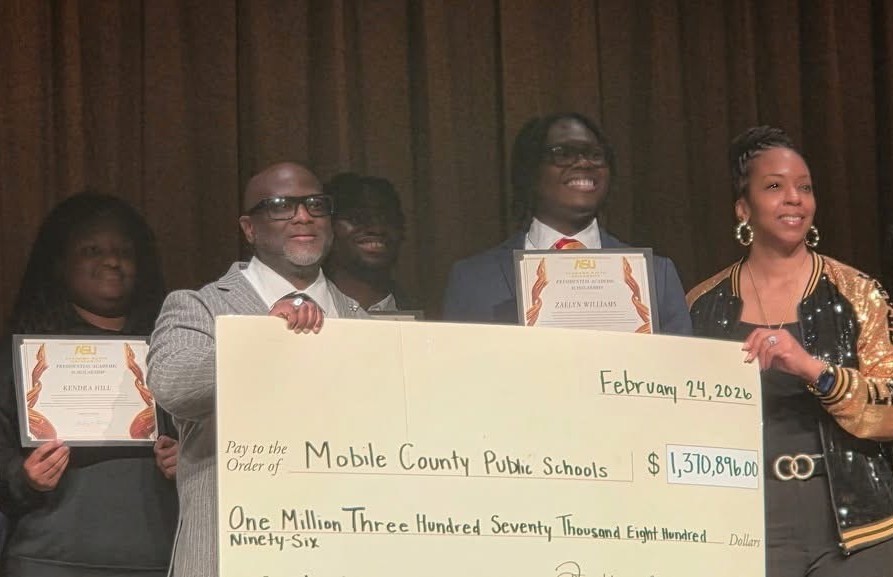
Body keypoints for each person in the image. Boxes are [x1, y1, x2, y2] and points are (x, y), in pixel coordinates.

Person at [687, 126, 893, 576]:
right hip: (747, 524)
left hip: (858, 530)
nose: (794, 198)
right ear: (744, 208)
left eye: (804, 187)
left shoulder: (859, 293)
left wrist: (815, 370)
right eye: (775, 187)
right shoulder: (700, 305)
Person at [147, 162, 367, 577]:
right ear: (249, 229)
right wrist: (262, 337)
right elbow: (172, 384)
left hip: (341, 545)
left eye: (315, 205)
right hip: (230, 553)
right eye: (281, 206)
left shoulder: (362, 322)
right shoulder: (199, 306)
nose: (303, 216)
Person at [0, 192, 179, 576]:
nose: (112, 261)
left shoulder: (175, 350)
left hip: (161, 558)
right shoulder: (21, 359)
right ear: (60, 264)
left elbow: (225, 447)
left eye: (124, 251)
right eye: (91, 249)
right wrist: (24, 477)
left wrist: (191, 461)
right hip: (48, 558)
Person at [441, 112, 691, 334]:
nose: (583, 163)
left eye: (595, 155)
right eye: (563, 154)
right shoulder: (472, 280)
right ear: (530, 169)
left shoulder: (658, 276)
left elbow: (678, 374)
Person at [324, 172, 414, 311]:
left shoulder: (430, 313)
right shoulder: (298, 309)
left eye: (388, 218)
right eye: (358, 218)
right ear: (327, 226)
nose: (377, 229)